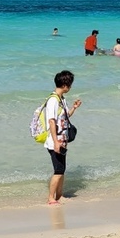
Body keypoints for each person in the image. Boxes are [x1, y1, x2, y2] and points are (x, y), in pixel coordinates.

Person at [45, 69, 82, 205]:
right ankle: (50, 198)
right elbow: (51, 121)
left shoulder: (62, 100)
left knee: (62, 170)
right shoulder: (53, 101)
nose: (71, 87)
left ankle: (59, 195)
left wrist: (74, 108)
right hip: (55, 141)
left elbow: (65, 117)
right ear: (65, 85)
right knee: (58, 170)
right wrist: (55, 142)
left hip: (62, 140)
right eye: (70, 84)